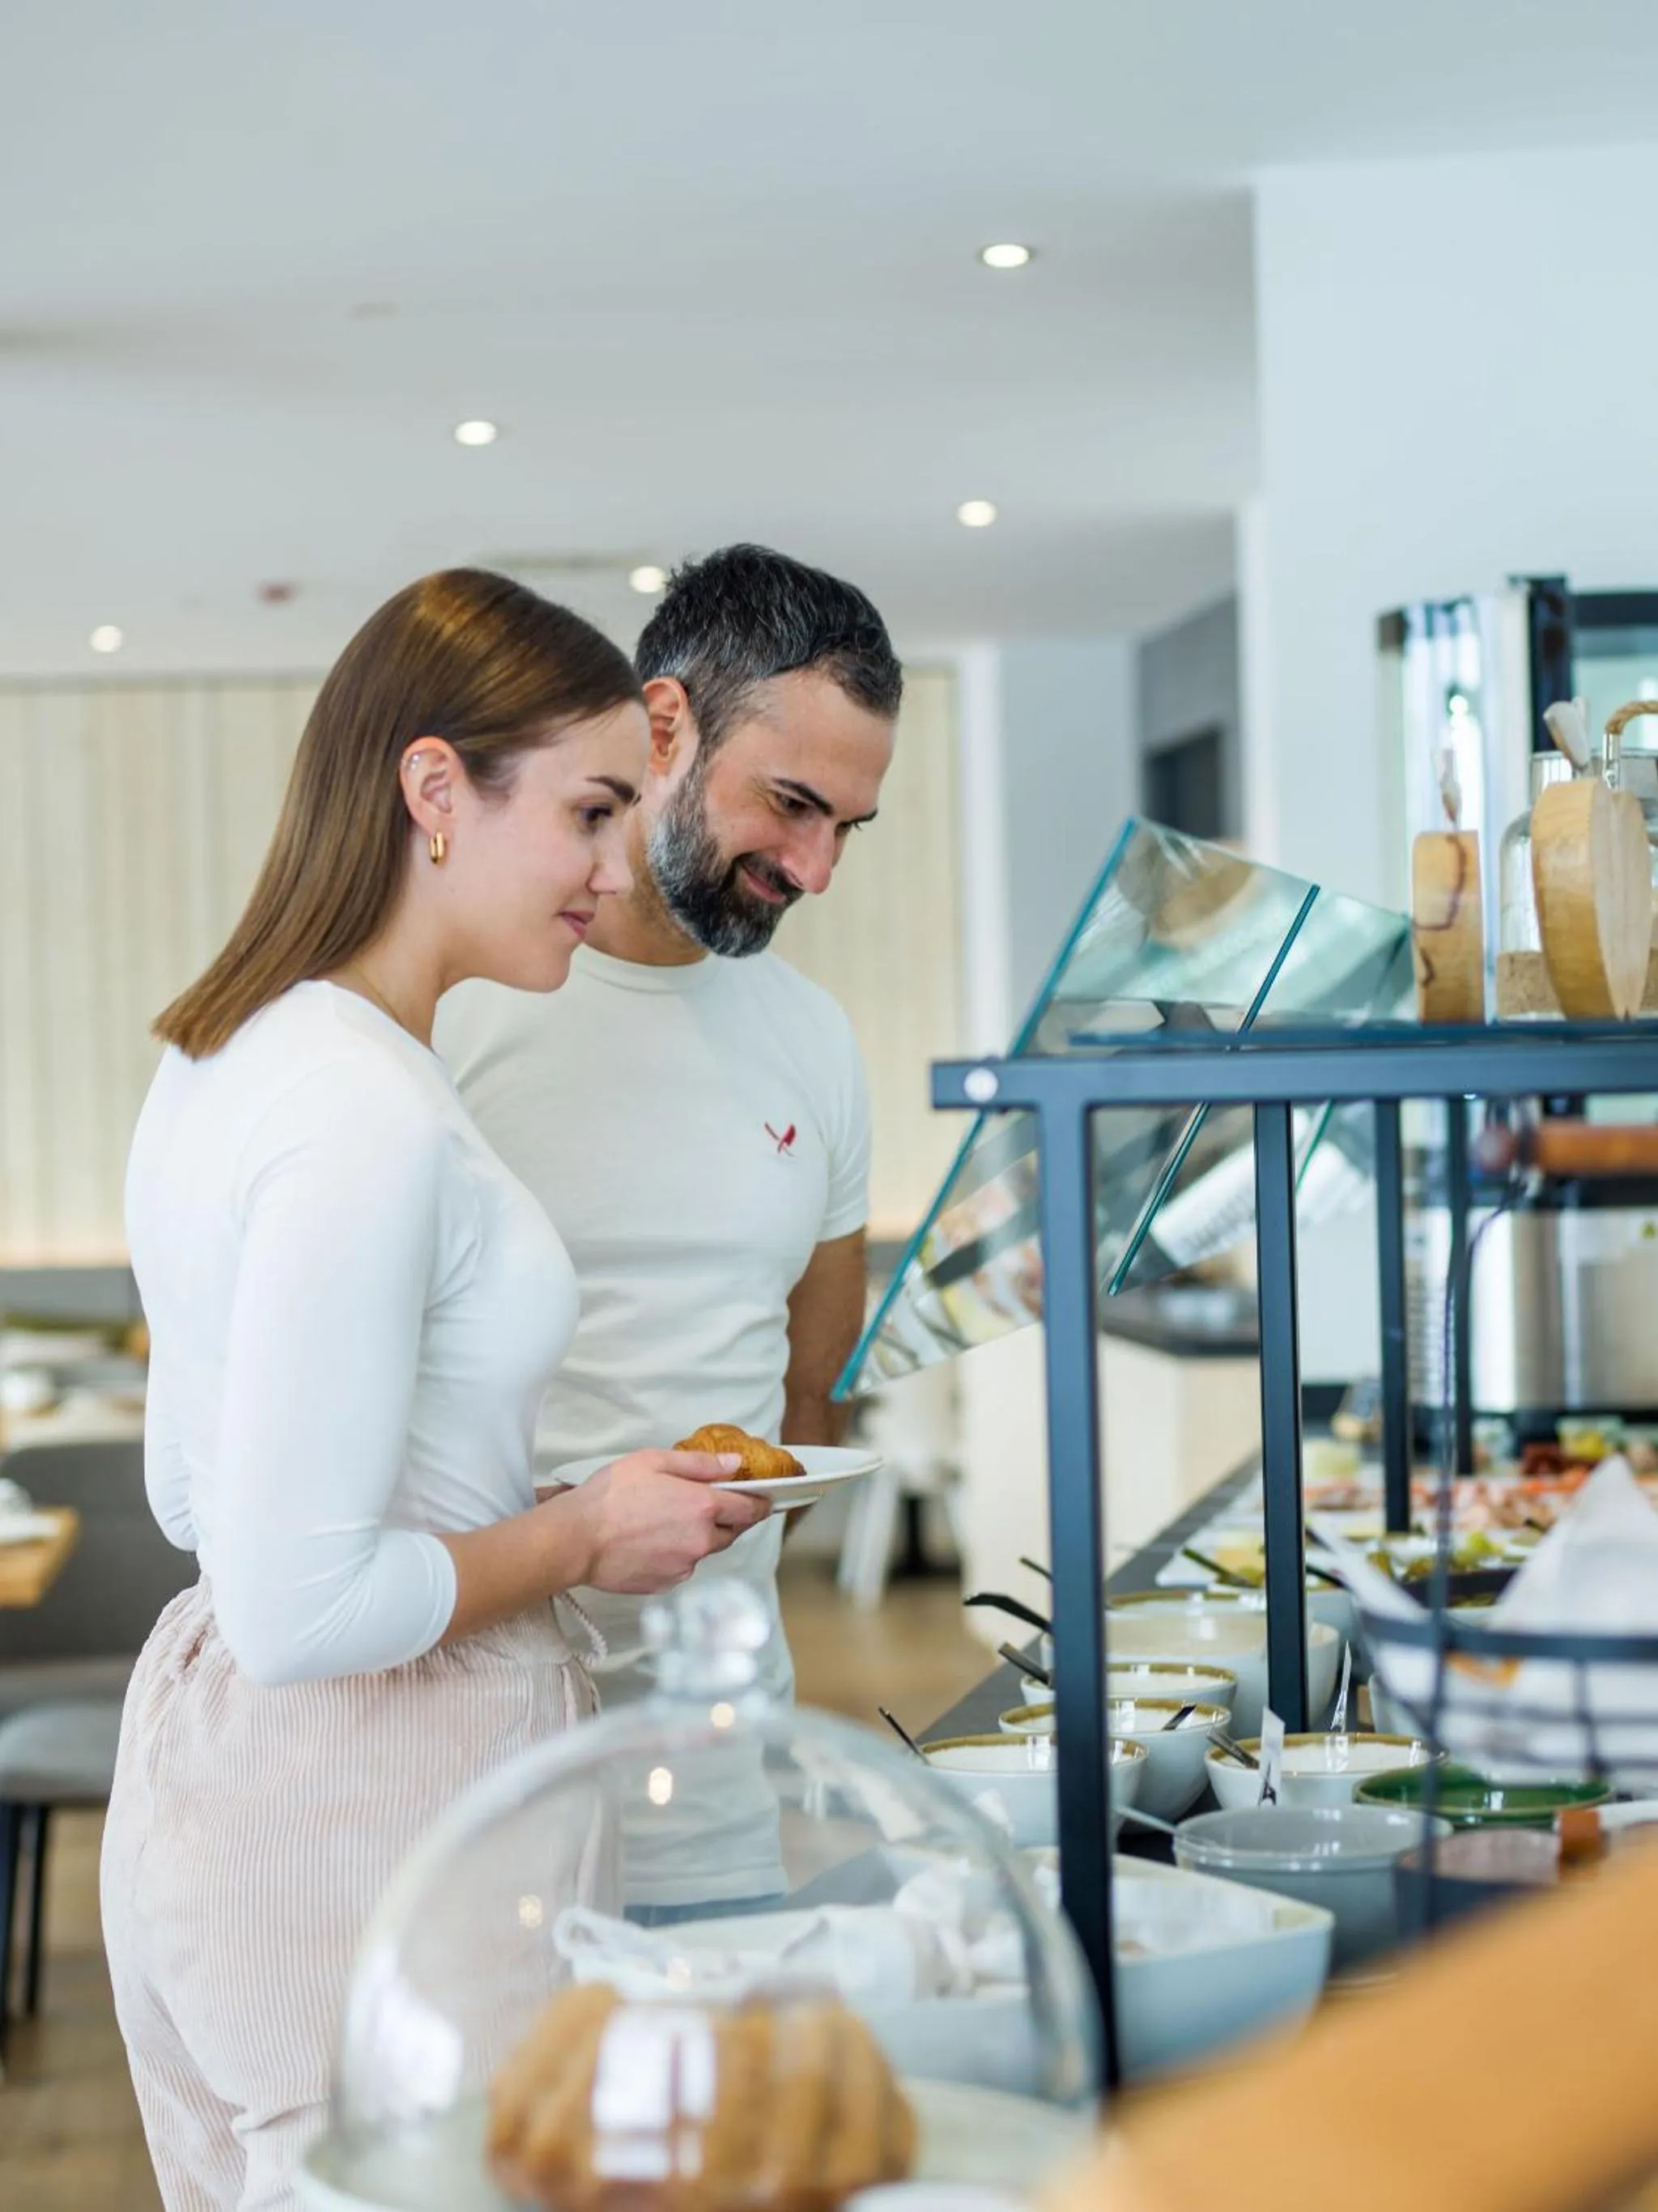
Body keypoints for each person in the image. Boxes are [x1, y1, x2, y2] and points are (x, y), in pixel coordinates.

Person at [103, 569, 770, 2212]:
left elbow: (202, 1508)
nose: (623, 874)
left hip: (218, 1768)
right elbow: (300, 1600)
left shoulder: (230, 1052)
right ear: (432, 790)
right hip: (368, 1792)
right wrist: (585, 1532)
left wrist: (508, 1509)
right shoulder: (364, 1112)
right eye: (594, 810)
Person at [435, 544, 901, 1920]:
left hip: (715, 1789)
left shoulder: (813, 1042)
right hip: (476, 1791)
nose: (815, 869)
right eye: (792, 804)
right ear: (661, 727)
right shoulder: (457, 1011)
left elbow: (809, 1393)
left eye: (847, 831)